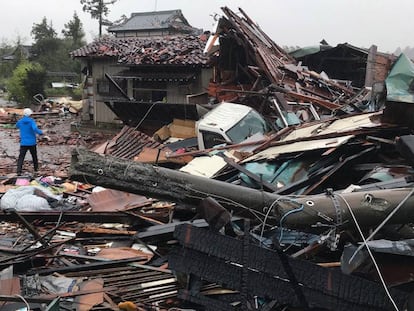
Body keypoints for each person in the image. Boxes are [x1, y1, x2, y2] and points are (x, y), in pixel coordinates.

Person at [16, 108, 43, 175]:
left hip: (23, 143)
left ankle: (18, 171)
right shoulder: (31, 121)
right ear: (30, 114)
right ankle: (36, 169)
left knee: (21, 157)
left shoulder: (20, 121)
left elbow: (16, 126)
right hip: (32, 142)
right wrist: (40, 132)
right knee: (34, 156)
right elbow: (34, 128)